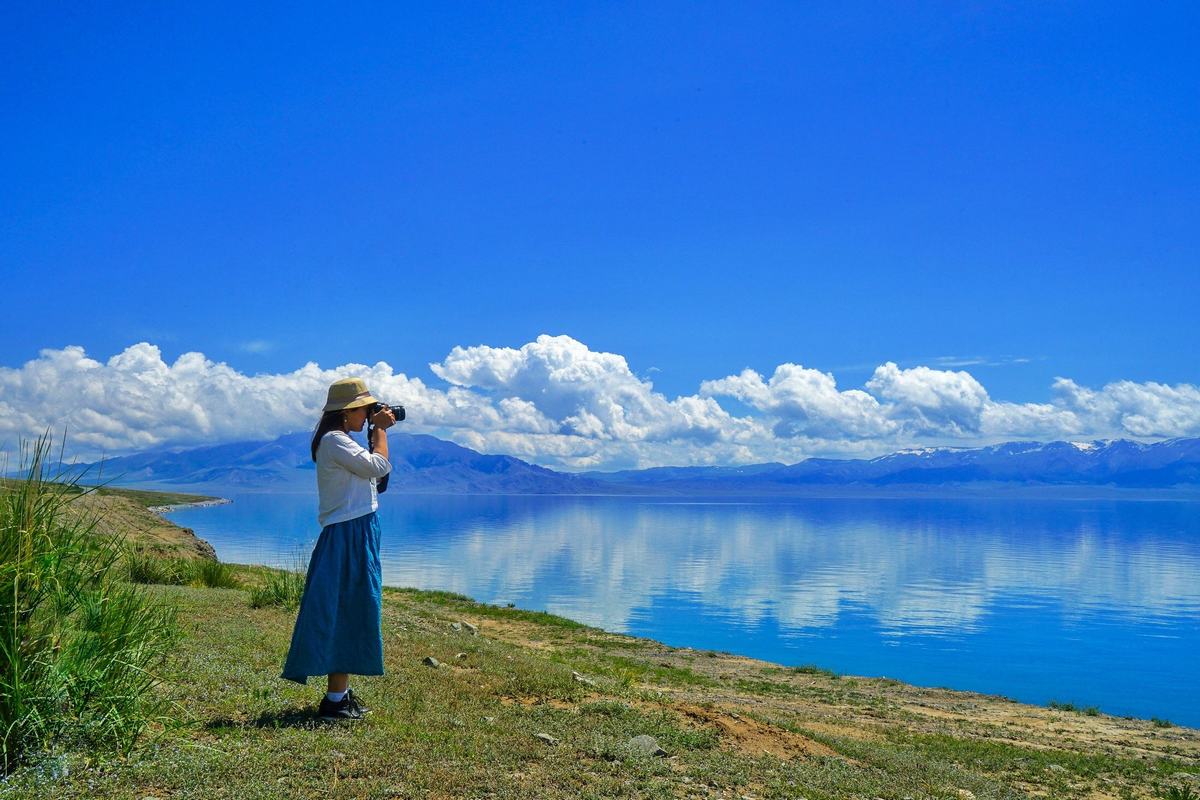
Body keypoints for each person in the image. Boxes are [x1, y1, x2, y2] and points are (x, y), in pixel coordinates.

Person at [280, 376, 397, 721]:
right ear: (347, 412)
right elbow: (379, 466)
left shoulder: (341, 441)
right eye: (364, 410)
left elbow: (377, 480)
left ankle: (340, 694)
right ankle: (334, 701)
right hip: (349, 533)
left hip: (355, 530)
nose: (367, 416)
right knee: (347, 608)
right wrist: (382, 431)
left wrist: (375, 431)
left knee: (353, 607)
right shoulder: (334, 441)